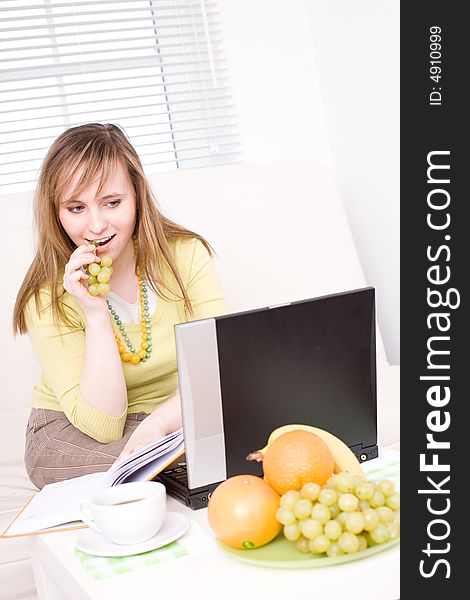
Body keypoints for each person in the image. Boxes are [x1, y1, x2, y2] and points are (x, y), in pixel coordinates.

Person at [13, 123, 228, 490]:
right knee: (188, 463)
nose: (96, 225)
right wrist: (95, 314)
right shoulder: (45, 297)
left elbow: (219, 368)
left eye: (112, 202)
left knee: (241, 440)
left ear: (137, 196)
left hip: (172, 416)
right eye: (76, 207)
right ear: (56, 213)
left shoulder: (184, 257)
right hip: (71, 430)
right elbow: (103, 423)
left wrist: (160, 422)